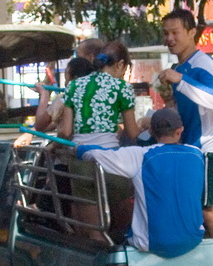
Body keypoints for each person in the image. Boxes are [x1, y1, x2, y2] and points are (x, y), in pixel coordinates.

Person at [75, 108, 204, 257]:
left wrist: (79, 148)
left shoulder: (140, 155)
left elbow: (96, 153)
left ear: (151, 132)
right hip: (193, 239)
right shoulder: (197, 154)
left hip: (152, 244)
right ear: (180, 131)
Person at [158, 9, 213, 238]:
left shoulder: (201, 64)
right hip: (195, 150)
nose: (169, 39)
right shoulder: (180, 68)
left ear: (192, 32)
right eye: (165, 33)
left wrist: (181, 81)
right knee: (199, 212)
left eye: (175, 32)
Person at [58, 41, 140, 241]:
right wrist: (146, 124)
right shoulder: (122, 88)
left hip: (81, 161)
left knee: (94, 231)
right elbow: (132, 132)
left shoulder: (75, 86)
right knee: (119, 226)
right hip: (112, 162)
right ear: (120, 65)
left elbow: (66, 132)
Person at [13, 57, 95, 148]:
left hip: (74, 149)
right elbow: (57, 121)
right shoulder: (100, 96)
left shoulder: (66, 97)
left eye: (67, 79)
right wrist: (30, 132)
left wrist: (44, 94)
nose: (65, 84)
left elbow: (41, 125)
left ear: (74, 79)